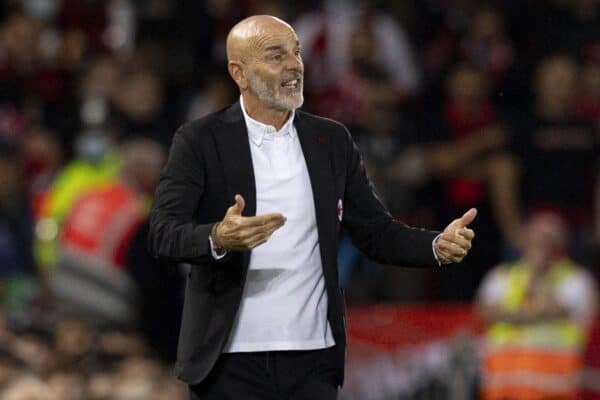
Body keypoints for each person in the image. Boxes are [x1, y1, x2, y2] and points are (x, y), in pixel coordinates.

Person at [147, 15, 476, 400]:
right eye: (276, 56)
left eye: (297, 53)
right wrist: (217, 237)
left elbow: (376, 231)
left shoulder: (330, 140)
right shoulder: (200, 140)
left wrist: (435, 246)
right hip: (228, 362)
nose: (293, 65)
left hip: (312, 361)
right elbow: (163, 233)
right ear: (239, 72)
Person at [477, 212, 597, 400]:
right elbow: (486, 312)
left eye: (548, 239)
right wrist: (530, 314)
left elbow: (553, 312)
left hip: (554, 392)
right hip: (504, 391)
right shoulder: (501, 277)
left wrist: (538, 273)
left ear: (561, 243)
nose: (542, 245)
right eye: (537, 237)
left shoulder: (576, 281)